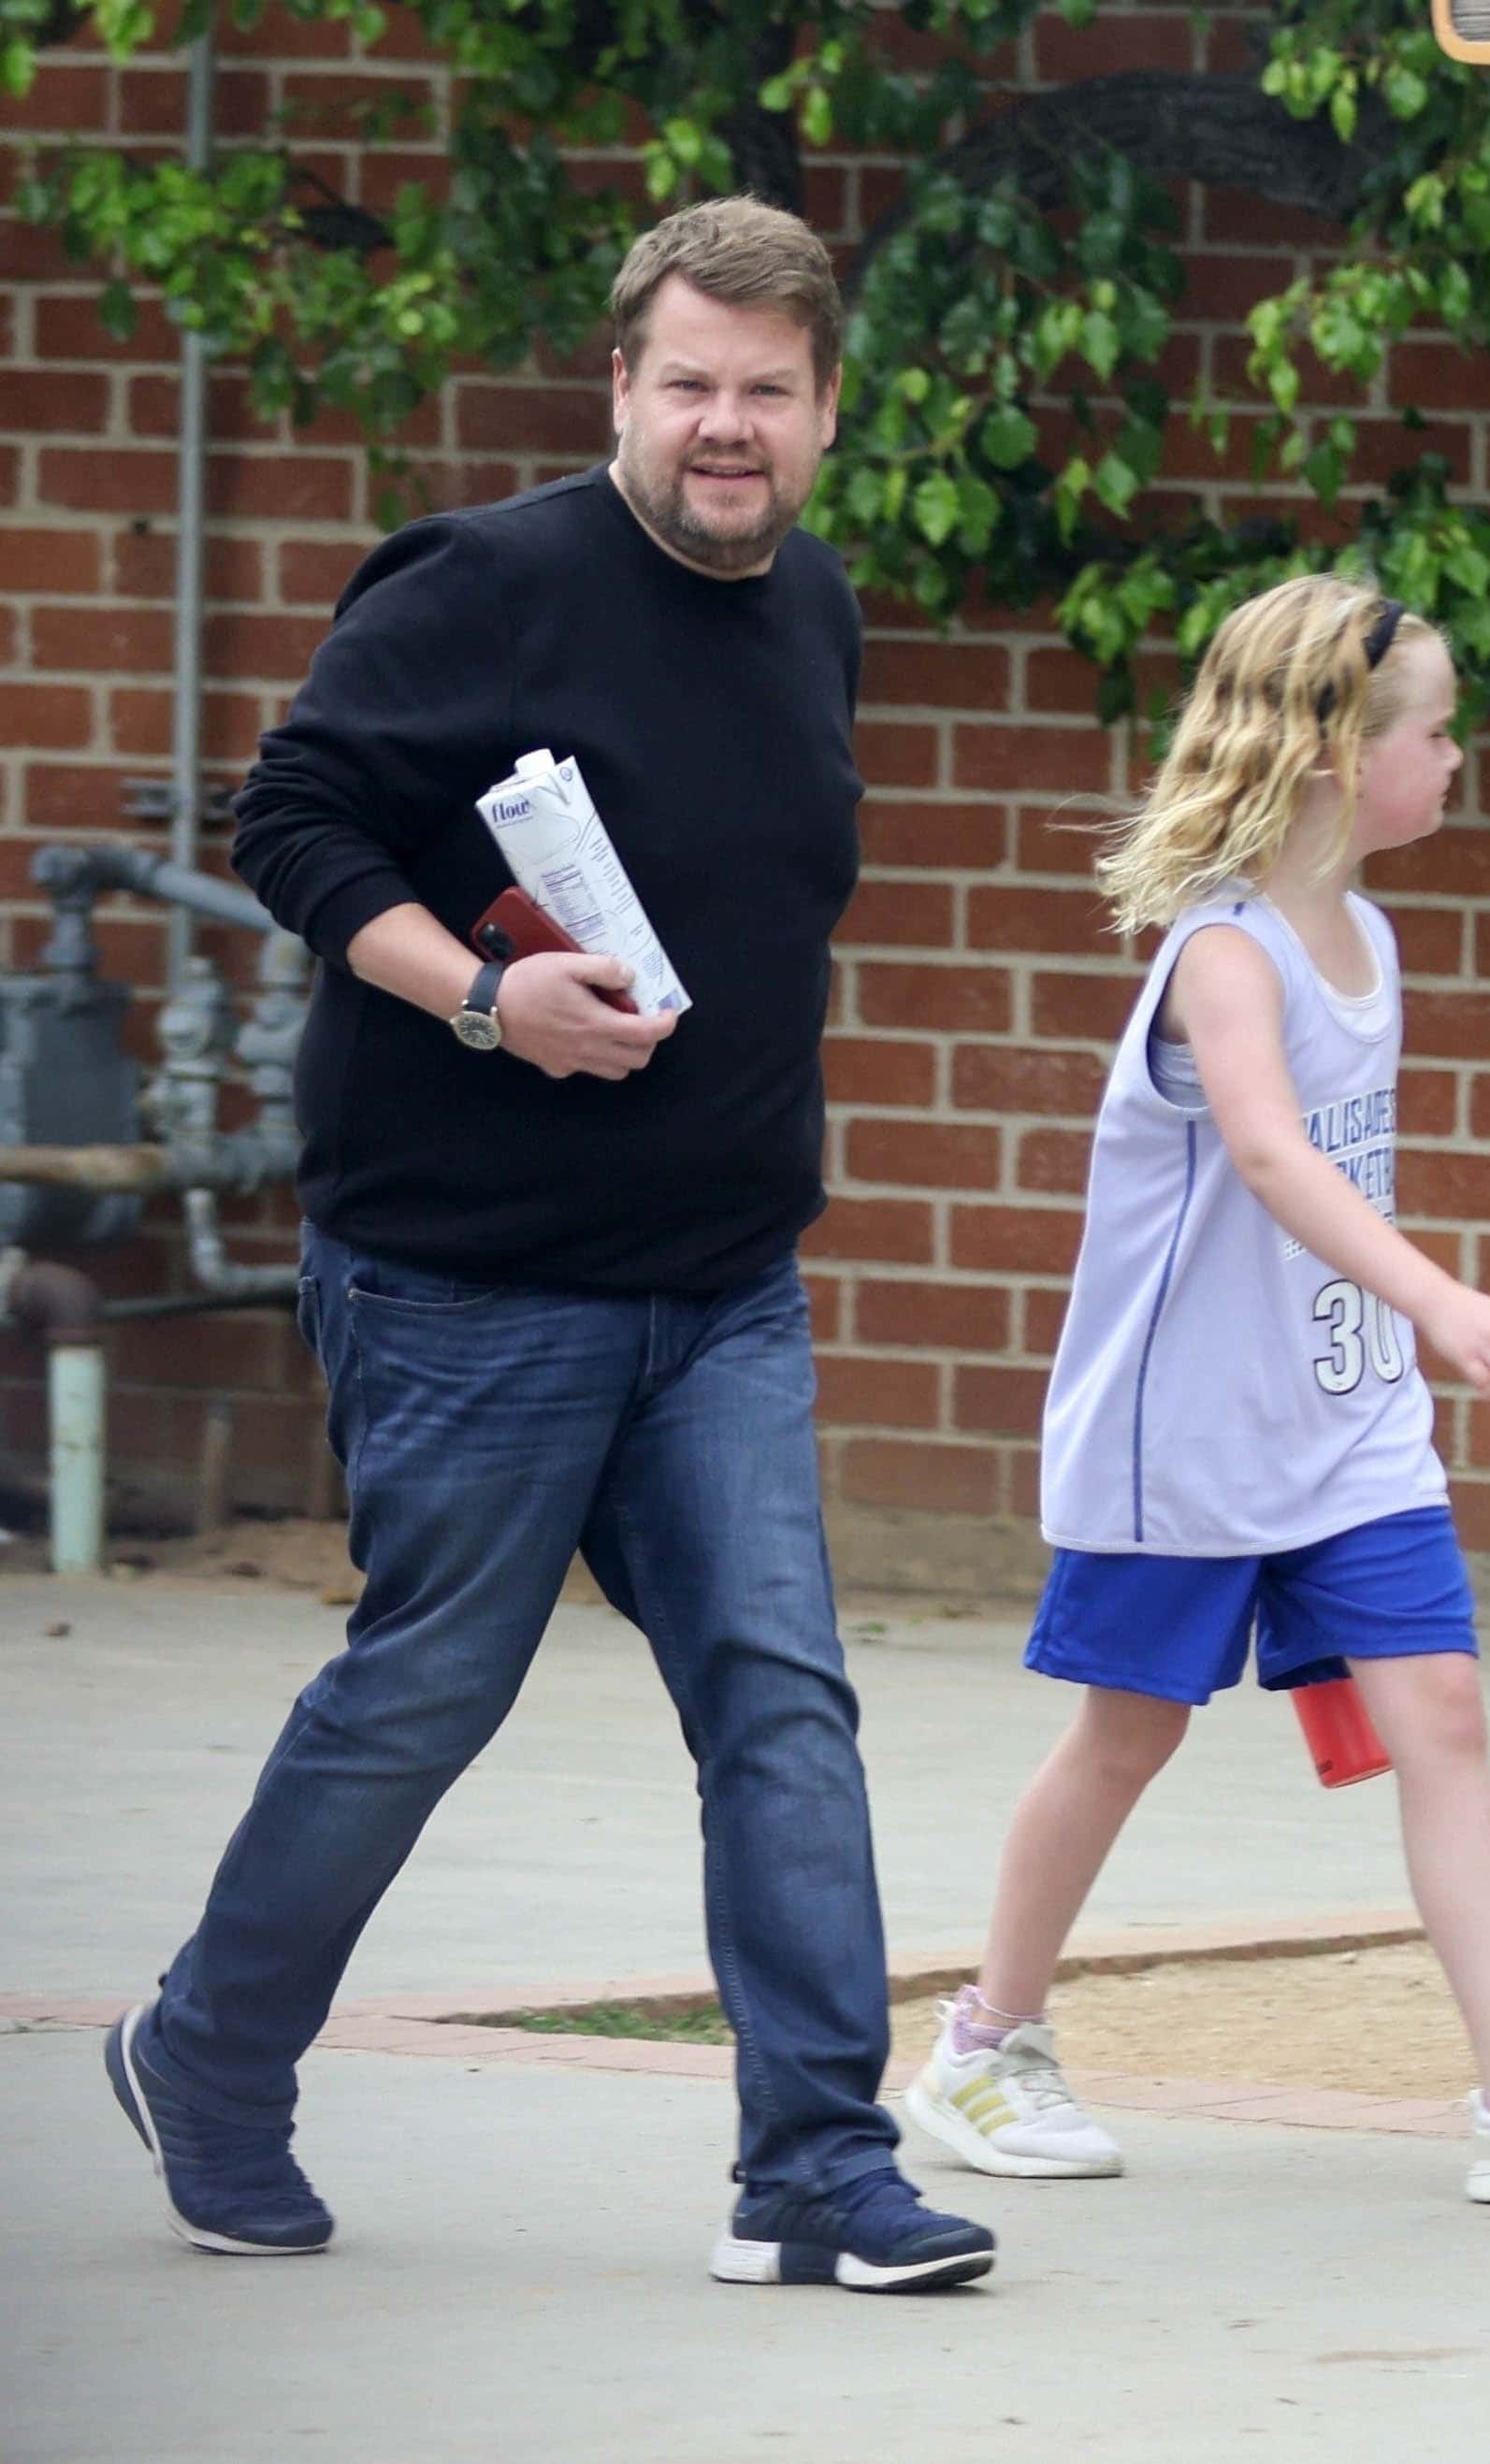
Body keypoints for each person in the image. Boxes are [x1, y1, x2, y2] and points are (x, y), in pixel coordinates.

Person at [104, 196, 995, 2295]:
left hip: (720, 1287)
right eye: (685, 381)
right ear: (618, 383)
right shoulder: (482, 581)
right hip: (467, 1280)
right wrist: (486, 1000)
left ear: (825, 410)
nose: (723, 425)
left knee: (782, 1698)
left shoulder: (816, 613)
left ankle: (814, 2171)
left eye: (764, 391)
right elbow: (292, 825)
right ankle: (208, 2049)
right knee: (426, 1686)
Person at [906, 575, 1490, 2205]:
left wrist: (1393, 1335)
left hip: (1345, 1430)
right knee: (1126, 1735)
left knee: (1443, 1714)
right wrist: (1438, 1300)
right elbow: (1270, 1154)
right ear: (1345, 753)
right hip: (1186, 1445)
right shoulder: (1225, 949)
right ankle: (984, 2045)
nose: (1457, 757)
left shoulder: (1373, 936)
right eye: (1436, 731)